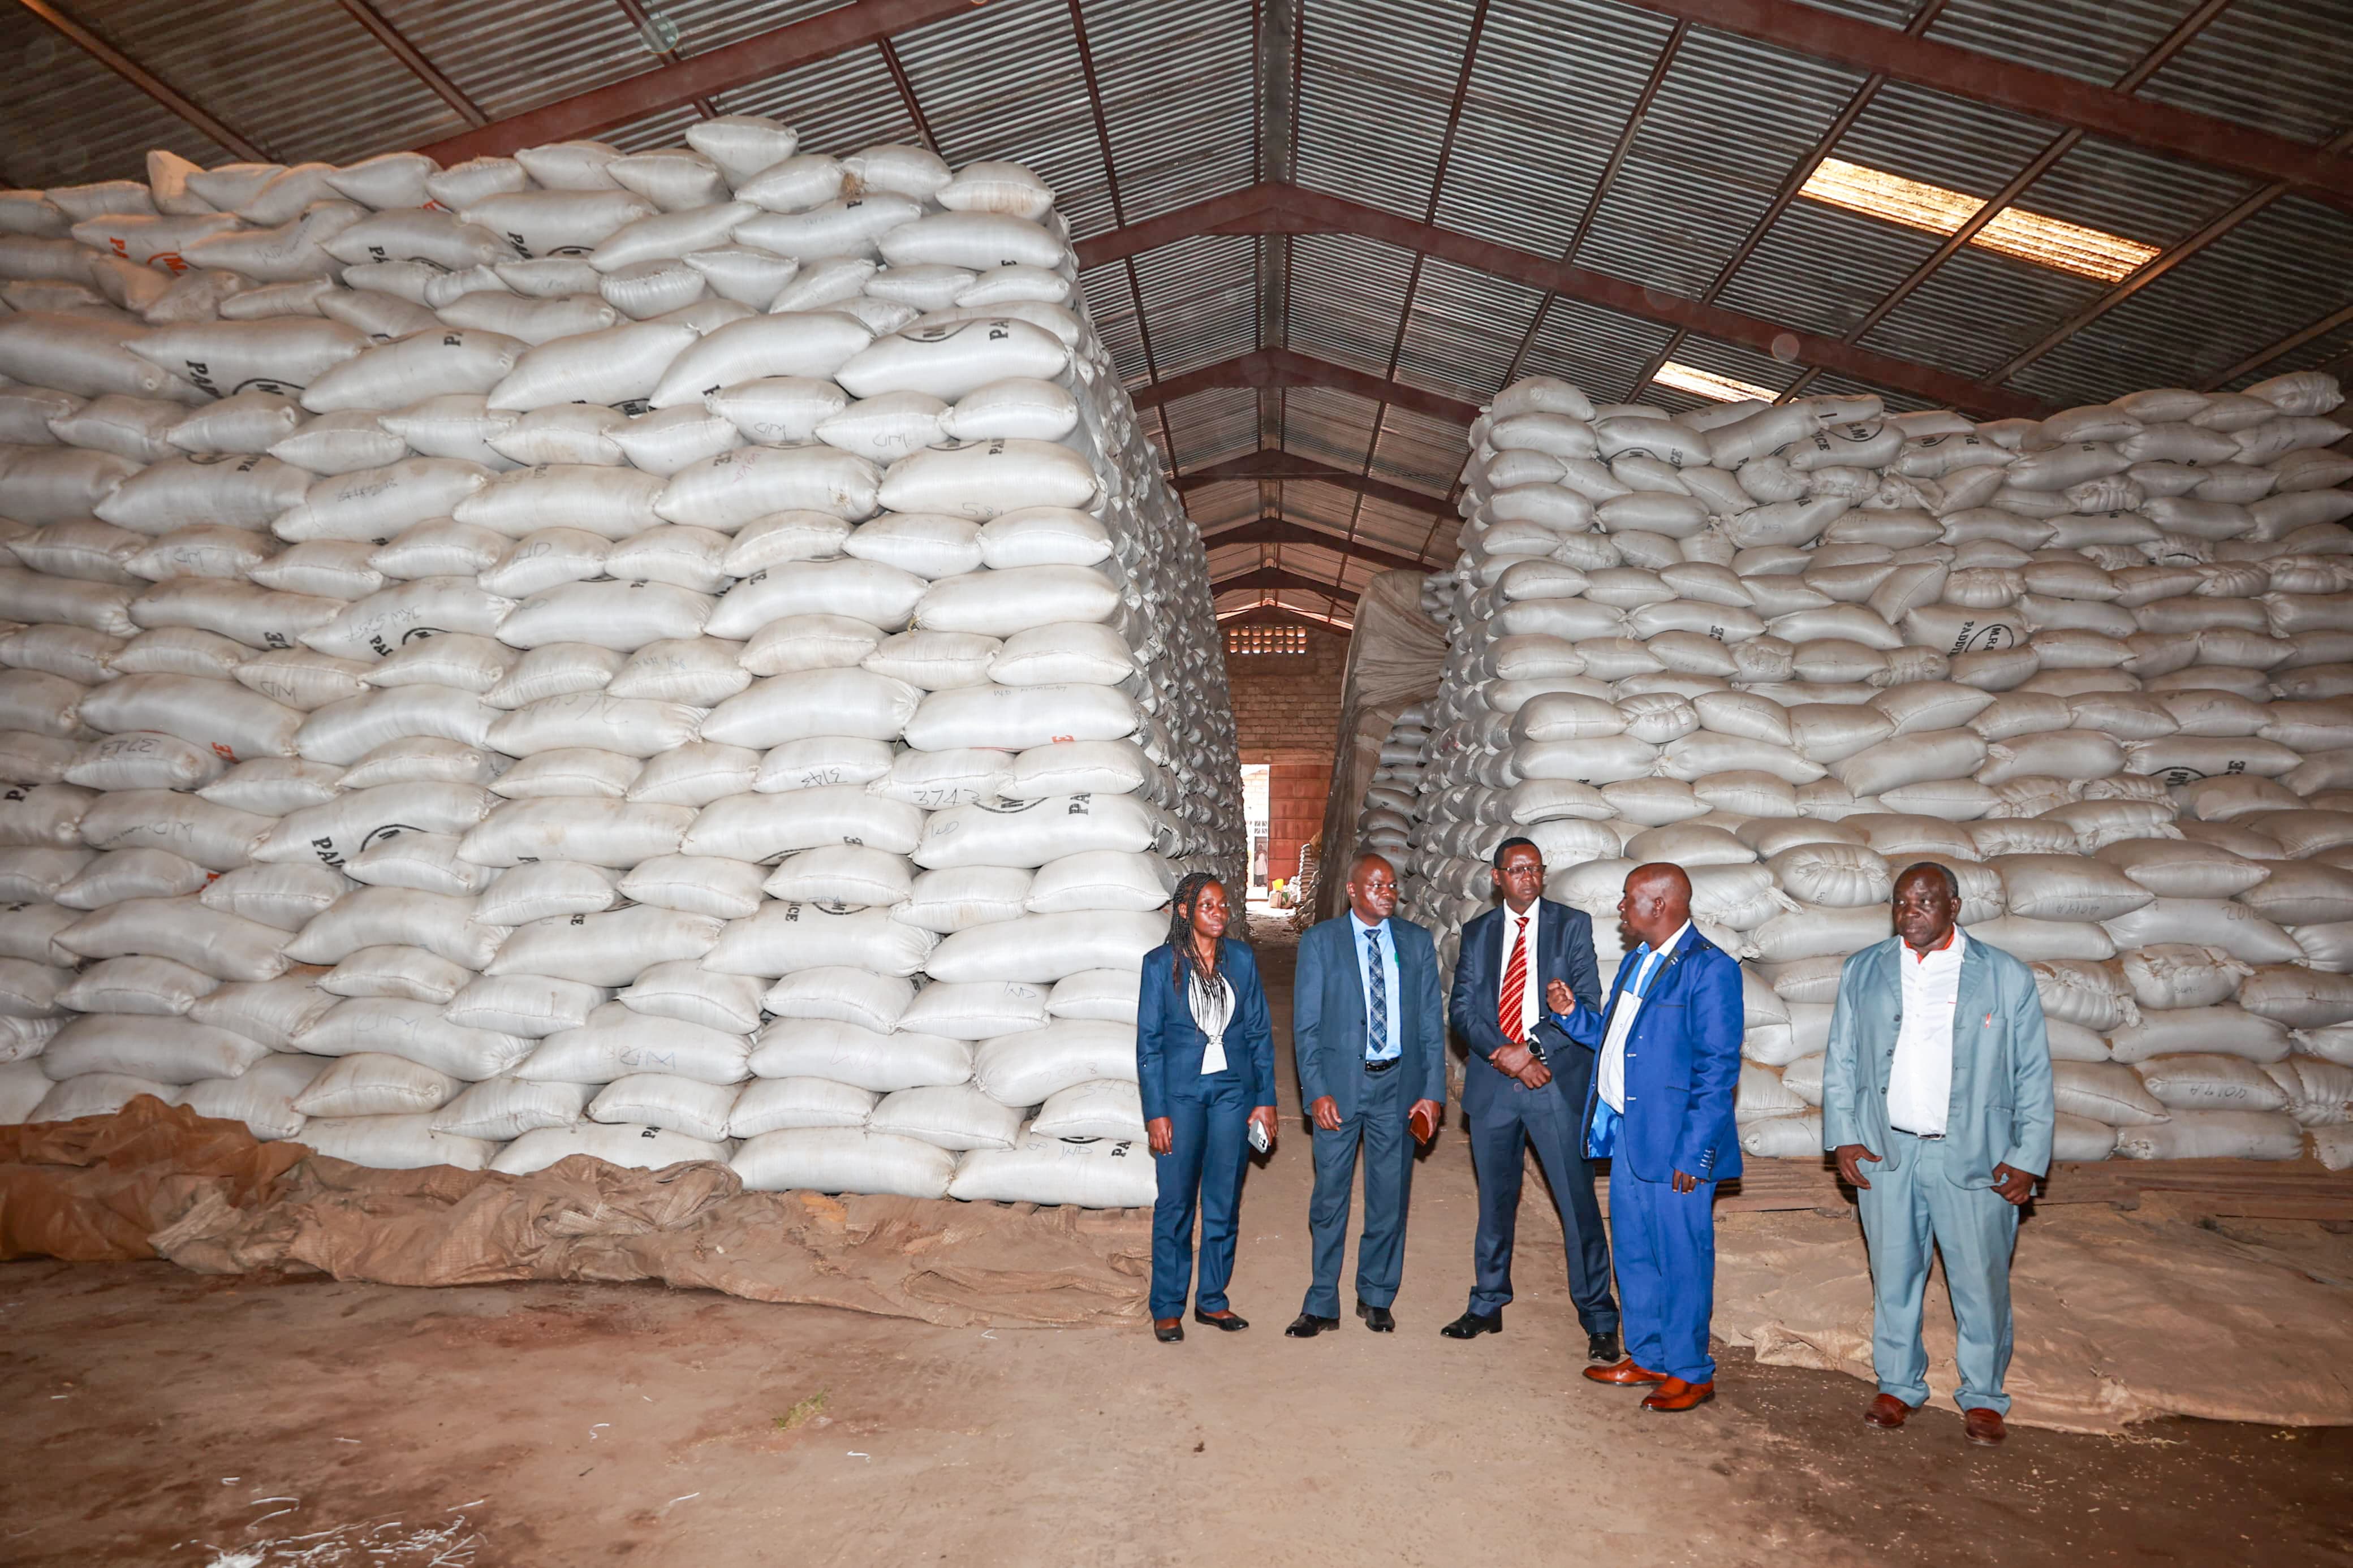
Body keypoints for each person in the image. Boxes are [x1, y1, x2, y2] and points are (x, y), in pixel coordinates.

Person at [1822, 862, 2055, 1446]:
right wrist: (1843, 1134)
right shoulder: (1864, 968)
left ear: (1954, 906)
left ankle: (1983, 1396)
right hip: (1887, 1151)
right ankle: (1898, 1384)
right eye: (1901, 902)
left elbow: (2032, 1071)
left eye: (1924, 901)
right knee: (1893, 1276)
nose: (1910, 913)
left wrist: (2028, 1155)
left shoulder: (2003, 975)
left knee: (1979, 1281)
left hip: (1974, 1153)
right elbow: (1841, 1059)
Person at [1546, 863, 1742, 1412]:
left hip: (1677, 1144)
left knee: (1682, 1258)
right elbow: (1620, 1041)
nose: (1620, 907)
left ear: (1660, 905)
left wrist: (1695, 1153)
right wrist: (1571, 1016)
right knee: (1633, 1252)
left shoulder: (1709, 969)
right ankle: (1650, 1354)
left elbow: (1717, 1070)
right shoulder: (1638, 960)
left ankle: (1690, 1370)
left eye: (1628, 898)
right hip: (1630, 1134)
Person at [1441, 837, 1620, 1362]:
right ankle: (1488, 1302)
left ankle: (1598, 1316)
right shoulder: (1479, 932)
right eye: (1516, 869)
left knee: (1577, 1203)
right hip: (1496, 1085)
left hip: (1554, 1085)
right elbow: (1463, 1009)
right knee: (1495, 1203)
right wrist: (1505, 1055)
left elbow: (1588, 1004)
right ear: (1497, 877)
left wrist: (1534, 1048)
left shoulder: (1571, 926)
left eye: (1535, 868)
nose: (1528, 877)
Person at [1286, 851, 1444, 1338]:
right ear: (1352, 890)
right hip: (1339, 1088)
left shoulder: (1416, 942)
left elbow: (1430, 1024)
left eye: (1392, 885)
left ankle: (1376, 1294)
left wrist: (1432, 1092)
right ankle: (1321, 1301)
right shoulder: (1321, 941)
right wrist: (1316, 1090)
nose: (1387, 892)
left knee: (1388, 1197)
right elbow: (1306, 1026)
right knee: (1329, 1197)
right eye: (1376, 885)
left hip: (1398, 1086)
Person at [1136, 872, 1278, 1344]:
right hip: (1181, 1096)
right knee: (1175, 1201)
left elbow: (1258, 1032)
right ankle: (1167, 1305)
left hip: (1232, 1092)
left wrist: (1265, 1099)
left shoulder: (1241, 958)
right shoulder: (1160, 965)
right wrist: (1156, 1111)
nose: (1219, 913)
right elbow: (1149, 1044)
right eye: (1207, 905)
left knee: (1223, 1197)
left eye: (1222, 905)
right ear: (1185, 911)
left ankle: (1212, 1298)